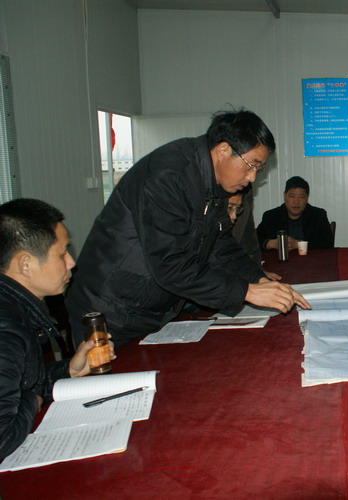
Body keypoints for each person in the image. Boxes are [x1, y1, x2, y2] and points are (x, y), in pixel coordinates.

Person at [66, 110, 310, 347]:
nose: (252, 177)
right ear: (223, 150)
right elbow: (171, 265)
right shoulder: (167, 176)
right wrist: (247, 292)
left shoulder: (213, 184)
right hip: (110, 311)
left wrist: (258, 279)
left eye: (259, 169)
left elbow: (221, 246)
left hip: (151, 310)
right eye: (251, 165)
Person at [0, 199, 113, 459]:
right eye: (62, 254)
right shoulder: (6, 330)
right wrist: (31, 400)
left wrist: (69, 369)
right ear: (25, 265)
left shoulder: (14, 307)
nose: (71, 262)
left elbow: (22, 381)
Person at [256, 176, 334, 251]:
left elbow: (328, 243)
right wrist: (272, 244)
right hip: (280, 260)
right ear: (285, 196)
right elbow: (254, 240)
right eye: (292, 196)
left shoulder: (318, 215)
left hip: (310, 259)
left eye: (301, 197)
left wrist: (298, 244)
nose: (296, 201)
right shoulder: (271, 216)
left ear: (307, 198)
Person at [229, 188, 281, 281]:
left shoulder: (247, 190)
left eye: (237, 209)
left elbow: (248, 236)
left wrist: (256, 270)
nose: (234, 216)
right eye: (229, 208)